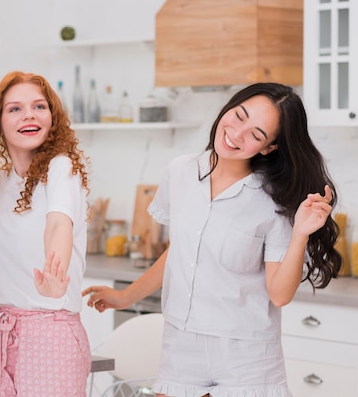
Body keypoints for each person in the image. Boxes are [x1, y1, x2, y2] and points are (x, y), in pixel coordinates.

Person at [83, 82, 341, 397]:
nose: (237, 133)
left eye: (256, 134)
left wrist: (300, 233)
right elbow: (180, 251)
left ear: (268, 148)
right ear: (229, 106)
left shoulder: (275, 199)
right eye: (239, 115)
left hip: (246, 358)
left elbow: (279, 294)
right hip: (181, 347)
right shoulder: (180, 171)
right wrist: (126, 297)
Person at [0, 71, 92, 396]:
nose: (29, 114)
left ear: (52, 118)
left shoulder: (62, 168)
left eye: (39, 106)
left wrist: (54, 270)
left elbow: (59, 222)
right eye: (15, 109)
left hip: (49, 334)